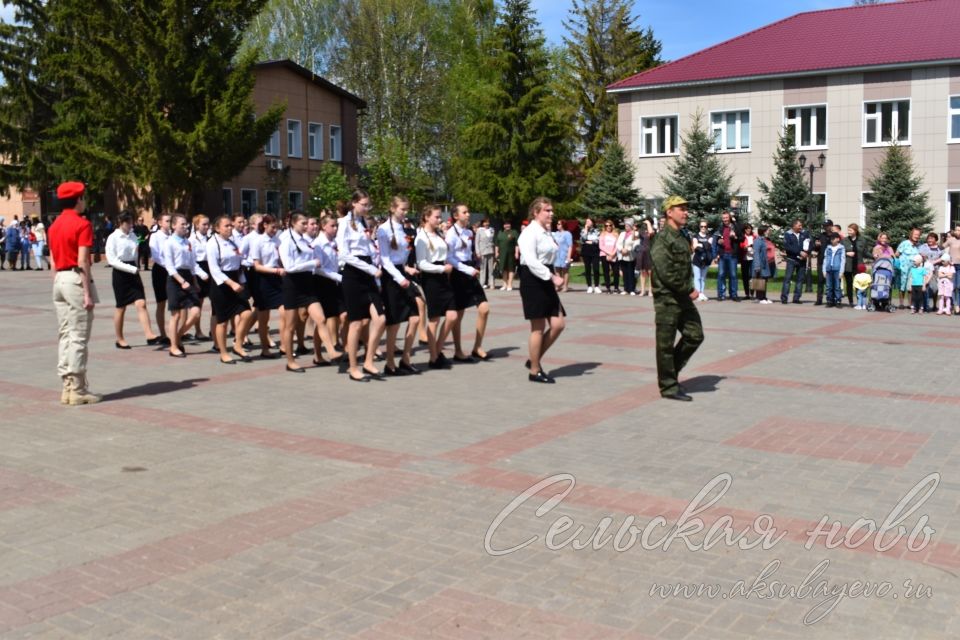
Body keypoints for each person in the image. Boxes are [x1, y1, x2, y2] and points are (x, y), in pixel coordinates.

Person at [48, 181, 102, 405]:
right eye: (83, 197)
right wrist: (86, 292)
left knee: (65, 334)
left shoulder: (54, 225)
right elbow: (82, 261)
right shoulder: (82, 224)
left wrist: (57, 281)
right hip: (74, 278)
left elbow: (52, 259)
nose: (84, 201)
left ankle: (67, 387)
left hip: (59, 279)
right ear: (78, 200)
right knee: (79, 336)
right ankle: (78, 389)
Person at [650, 196, 703, 402]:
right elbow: (665, 272)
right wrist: (688, 289)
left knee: (695, 335)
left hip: (681, 298)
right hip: (667, 299)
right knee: (665, 344)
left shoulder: (681, 236)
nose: (685, 212)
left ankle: (670, 370)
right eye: (680, 208)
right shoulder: (662, 238)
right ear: (669, 212)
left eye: (686, 209)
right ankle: (668, 386)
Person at [279, 212, 341, 373]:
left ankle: (331, 351)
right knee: (291, 326)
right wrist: (312, 263)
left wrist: (312, 264)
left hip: (307, 283)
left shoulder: (306, 241)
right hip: (293, 284)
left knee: (321, 318)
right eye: (303, 223)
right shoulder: (286, 241)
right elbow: (289, 267)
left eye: (308, 223)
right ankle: (290, 361)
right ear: (293, 223)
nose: (307, 226)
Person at [337, 191, 386, 381]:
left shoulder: (364, 222)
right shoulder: (344, 223)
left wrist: (375, 271)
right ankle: (353, 367)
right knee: (356, 323)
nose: (367, 208)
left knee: (380, 319)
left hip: (369, 274)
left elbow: (370, 250)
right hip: (353, 274)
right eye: (364, 204)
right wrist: (370, 269)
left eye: (368, 205)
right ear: (355, 203)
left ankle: (368, 360)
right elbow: (344, 254)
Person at [518, 197, 565, 384]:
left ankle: (533, 358)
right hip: (533, 280)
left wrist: (552, 276)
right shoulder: (530, 233)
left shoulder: (546, 232)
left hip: (545, 277)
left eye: (552, 210)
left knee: (558, 324)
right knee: (538, 328)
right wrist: (552, 277)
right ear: (536, 213)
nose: (551, 213)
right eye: (547, 210)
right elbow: (531, 260)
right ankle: (534, 370)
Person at [377, 196, 422, 375]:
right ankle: (389, 363)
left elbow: (402, 256)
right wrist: (399, 277)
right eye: (402, 209)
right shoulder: (383, 229)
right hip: (391, 277)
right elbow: (385, 259)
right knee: (394, 323)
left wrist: (406, 269)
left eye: (406, 209)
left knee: (415, 317)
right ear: (392, 208)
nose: (405, 213)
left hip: (402, 272)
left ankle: (405, 358)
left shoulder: (403, 229)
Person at [105, 212, 162, 349]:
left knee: (141, 303)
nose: (131, 225)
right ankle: (119, 338)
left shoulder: (133, 235)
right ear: (121, 222)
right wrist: (131, 269)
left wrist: (137, 265)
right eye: (129, 222)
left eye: (132, 222)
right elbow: (112, 260)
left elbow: (136, 250)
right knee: (121, 307)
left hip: (133, 271)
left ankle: (149, 335)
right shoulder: (113, 237)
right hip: (120, 273)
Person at [206, 216, 255, 364]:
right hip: (221, 284)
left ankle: (238, 345)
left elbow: (239, 261)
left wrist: (243, 278)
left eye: (230, 226)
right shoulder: (212, 244)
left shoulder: (232, 242)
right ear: (217, 228)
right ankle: (223, 352)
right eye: (226, 226)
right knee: (223, 322)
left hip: (236, 279)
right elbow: (214, 270)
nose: (229, 228)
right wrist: (231, 283)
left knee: (247, 313)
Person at [446, 203, 491, 362]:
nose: (468, 214)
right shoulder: (451, 234)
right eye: (464, 212)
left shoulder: (469, 231)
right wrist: (467, 269)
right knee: (459, 314)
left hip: (470, 269)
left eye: (468, 211)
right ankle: (458, 351)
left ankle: (477, 347)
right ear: (456, 216)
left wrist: (475, 261)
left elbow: (468, 251)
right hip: (459, 272)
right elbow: (449, 257)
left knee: (484, 308)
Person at [415, 205, 458, 369]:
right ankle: (433, 357)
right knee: (434, 319)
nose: (439, 220)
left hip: (443, 277)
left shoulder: (438, 234)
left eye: (440, 217)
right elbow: (421, 263)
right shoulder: (422, 237)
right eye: (436, 217)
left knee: (452, 315)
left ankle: (437, 350)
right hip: (431, 278)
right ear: (426, 217)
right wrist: (441, 268)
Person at [162, 214, 208, 357]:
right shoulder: (169, 243)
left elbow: (193, 264)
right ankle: (173, 346)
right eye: (182, 224)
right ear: (174, 226)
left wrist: (200, 276)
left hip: (188, 277)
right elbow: (169, 266)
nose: (185, 227)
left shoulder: (188, 243)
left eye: (186, 224)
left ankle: (178, 335)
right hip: (175, 279)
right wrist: (181, 281)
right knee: (175, 315)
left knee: (196, 312)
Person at [249, 214, 285, 359]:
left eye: (277, 227)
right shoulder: (257, 241)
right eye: (272, 227)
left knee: (285, 312)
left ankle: (284, 345)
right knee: (264, 317)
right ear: (264, 225)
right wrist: (275, 270)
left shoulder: (278, 240)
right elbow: (257, 266)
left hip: (278, 278)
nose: (275, 230)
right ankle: (264, 348)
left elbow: (282, 259)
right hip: (263, 279)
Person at [148, 213, 173, 343]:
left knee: (175, 303)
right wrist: (168, 266)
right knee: (161, 303)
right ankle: (163, 334)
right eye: (167, 221)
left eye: (170, 221)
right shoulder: (155, 236)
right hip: (160, 271)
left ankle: (176, 331)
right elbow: (155, 256)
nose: (169, 223)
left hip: (172, 271)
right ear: (159, 222)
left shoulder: (173, 236)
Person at [711, 211, 741, 301]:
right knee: (721, 275)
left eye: (726, 218)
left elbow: (741, 238)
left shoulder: (735, 227)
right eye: (723, 218)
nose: (725, 220)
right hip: (722, 255)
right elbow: (714, 242)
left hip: (732, 255)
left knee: (733, 275)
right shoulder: (720, 228)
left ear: (729, 218)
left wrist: (735, 237)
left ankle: (734, 294)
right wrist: (715, 255)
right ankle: (721, 294)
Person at [780, 219, 809, 304]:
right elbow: (788, 247)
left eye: (801, 225)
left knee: (800, 280)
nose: (801, 227)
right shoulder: (788, 234)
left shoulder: (804, 234)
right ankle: (784, 298)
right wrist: (799, 252)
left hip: (802, 260)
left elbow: (809, 244)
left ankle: (796, 298)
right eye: (799, 225)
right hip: (791, 260)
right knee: (787, 279)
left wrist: (806, 253)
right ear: (794, 226)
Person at [842, 223, 868, 308]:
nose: (848, 232)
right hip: (848, 266)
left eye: (850, 230)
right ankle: (850, 301)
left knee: (859, 284)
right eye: (848, 230)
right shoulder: (845, 240)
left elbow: (865, 252)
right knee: (849, 284)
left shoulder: (862, 240)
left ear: (855, 231)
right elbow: (840, 251)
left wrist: (874, 256)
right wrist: (847, 253)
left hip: (858, 266)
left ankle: (859, 302)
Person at [895, 228, 921, 309]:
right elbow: (897, 254)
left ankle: (910, 304)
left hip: (913, 269)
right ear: (911, 235)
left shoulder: (918, 245)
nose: (916, 236)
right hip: (904, 268)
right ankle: (901, 303)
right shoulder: (904, 243)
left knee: (911, 286)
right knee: (902, 285)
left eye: (918, 235)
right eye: (915, 234)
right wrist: (900, 261)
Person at [812, 219, 834, 305]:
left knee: (831, 281)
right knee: (820, 280)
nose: (825, 228)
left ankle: (831, 299)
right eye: (824, 226)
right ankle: (819, 299)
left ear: (831, 226)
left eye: (827, 226)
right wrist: (816, 246)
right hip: (821, 261)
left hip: (832, 261)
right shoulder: (820, 236)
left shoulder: (834, 236)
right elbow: (815, 249)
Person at [822, 232, 845, 308]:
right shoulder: (828, 248)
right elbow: (825, 259)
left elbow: (843, 260)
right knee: (828, 286)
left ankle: (838, 300)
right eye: (831, 239)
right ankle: (829, 300)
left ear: (838, 239)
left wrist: (841, 271)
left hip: (837, 269)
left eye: (833, 239)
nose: (831, 240)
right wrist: (824, 270)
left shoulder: (841, 248)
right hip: (828, 269)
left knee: (837, 286)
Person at [616, 219, 639, 295]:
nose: (626, 227)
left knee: (631, 273)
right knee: (624, 273)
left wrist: (628, 250)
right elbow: (618, 243)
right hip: (622, 255)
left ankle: (632, 289)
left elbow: (636, 244)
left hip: (630, 256)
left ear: (631, 226)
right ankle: (626, 289)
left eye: (628, 225)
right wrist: (621, 249)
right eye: (625, 225)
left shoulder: (635, 233)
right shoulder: (622, 233)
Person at [691, 221, 713, 301]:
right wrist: (702, 245)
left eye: (705, 226)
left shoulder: (709, 236)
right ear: (699, 227)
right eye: (701, 226)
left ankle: (702, 293)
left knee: (703, 278)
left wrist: (700, 244)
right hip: (697, 260)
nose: (703, 228)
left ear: (707, 227)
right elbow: (694, 246)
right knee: (697, 277)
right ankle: (698, 294)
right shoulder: (695, 236)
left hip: (706, 259)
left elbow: (708, 246)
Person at [751, 225, 773, 304]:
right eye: (768, 230)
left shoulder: (764, 240)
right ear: (763, 231)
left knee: (764, 280)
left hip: (765, 263)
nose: (769, 232)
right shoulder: (757, 241)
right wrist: (757, 265)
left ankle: (763, 297)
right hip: (759, 263)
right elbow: (756, 253)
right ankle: (759, 298)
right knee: (759, 280)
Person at [494, 220, 518, 290]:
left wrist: (516, 253)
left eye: (508, 224)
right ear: (503, 225)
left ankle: (510, 284)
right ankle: (504, 284)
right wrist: (496, 252)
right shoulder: (500, 233)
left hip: (511, 254)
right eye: (505, 224)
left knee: (511, 269)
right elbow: (496, 244)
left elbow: (517, 244)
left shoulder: (514, 232)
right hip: (502, 254)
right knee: (503, 269)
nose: (507, 225)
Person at [580, 218, 601, 293]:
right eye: (586, 221)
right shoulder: (583, 230)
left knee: (596, 268)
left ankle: (596, 286)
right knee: (587, 269)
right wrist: (586, 230)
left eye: (589, 221)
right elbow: (583, 240)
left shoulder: (597, 230)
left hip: (595, 251)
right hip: (586, 251)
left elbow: (598, 240)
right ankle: (589, 286)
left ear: (592, 222)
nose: (587, 222)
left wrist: (590, 242)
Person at [599, 219, 620, 293]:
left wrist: (613, 253)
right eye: (606, 225)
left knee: (616, 272)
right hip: (604, 255)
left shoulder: (616, 234)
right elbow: (601, 246)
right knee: (606, 271)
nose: (608, 227)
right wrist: (608, 253)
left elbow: (618, 245)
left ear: (612, 226)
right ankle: (608, 287)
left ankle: (616, 287)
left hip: (614, 254)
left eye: (610, 225)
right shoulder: (602, 234)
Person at [552, 219, 573, 292]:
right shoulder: (555, 233)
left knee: (565, 271)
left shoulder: (567, 234)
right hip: (556, 254)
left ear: (563, 225)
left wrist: (569, 256)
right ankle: (558, 286)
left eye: (559, 224)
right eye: (557, 224)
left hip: (564, 254)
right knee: (557, 270)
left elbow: (570, 246)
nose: (557, 225)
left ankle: (565, 286)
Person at [475, 218, 496, 289]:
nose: (486, 224)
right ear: (483, 223)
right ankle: (481, 283)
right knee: (483, 268)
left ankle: (492, 283)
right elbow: (476, 242)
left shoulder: (492, 230)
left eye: (487, 222)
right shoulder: (479, 230)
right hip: (482, 251)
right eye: (485, 222)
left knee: (491, 268)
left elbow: (493, 241)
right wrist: (478, 252)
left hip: (490, 251)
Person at [943, 225, 960, 313]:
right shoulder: (951, 240)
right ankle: (953, 305)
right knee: (952, 286)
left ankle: (958, 305)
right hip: (952, 265)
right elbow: (942, 247)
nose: (957, 232)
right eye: (956, 230)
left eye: (959, 230)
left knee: (959, 286)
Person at [635, 218, 654, 297]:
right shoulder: (641, 231)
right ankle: (642, 290)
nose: (645, 225)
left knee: (650, 272)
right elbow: (635, 237)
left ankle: (650, 291)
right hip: (642, 252)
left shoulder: (653, 230)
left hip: (650, 252)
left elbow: (651, 233)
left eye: (647, 223)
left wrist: (649, 224)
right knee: (643, 272)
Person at [738, 223, 756, 299]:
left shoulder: (754, 237)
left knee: (753, 276)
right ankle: (747, 294)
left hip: (753, 258)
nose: (748, 230)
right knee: (745, 276)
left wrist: (753, 245)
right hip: (744, 258)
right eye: (746, 229)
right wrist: (744, 247)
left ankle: (752, 292)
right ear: (744, 230)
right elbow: (740, 245)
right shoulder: (742, 237)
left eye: (749, 228)